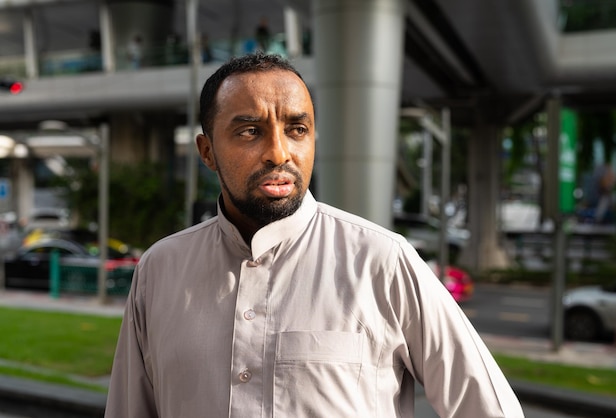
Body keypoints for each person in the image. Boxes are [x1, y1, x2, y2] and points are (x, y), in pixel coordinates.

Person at [105, 53, 524, 417]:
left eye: (297, 129)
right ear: (207, 151)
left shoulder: (382, 260)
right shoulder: (160, 270)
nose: (279, 152)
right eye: (250, 131)